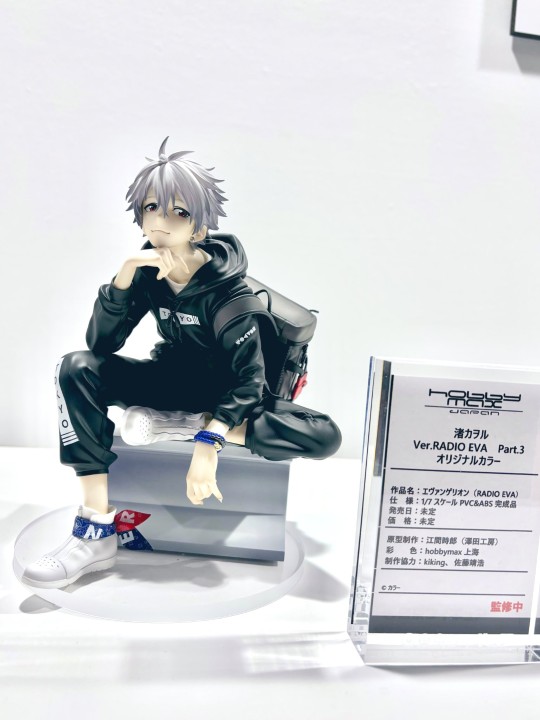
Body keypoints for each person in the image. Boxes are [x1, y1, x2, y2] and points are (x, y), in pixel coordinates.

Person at [22, 139, 341, 589]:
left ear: (200, 225)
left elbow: (249, 383)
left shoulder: (231, 297)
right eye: (151, 208)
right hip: (170, 381)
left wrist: (208, 443)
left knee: (325, 435)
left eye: (178, 212)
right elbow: (101, 343)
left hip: (229, 401)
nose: (160, 221)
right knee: (75, 368)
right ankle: (95, 530)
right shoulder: (147, 272)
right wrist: (124, 276)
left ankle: (185, 425)